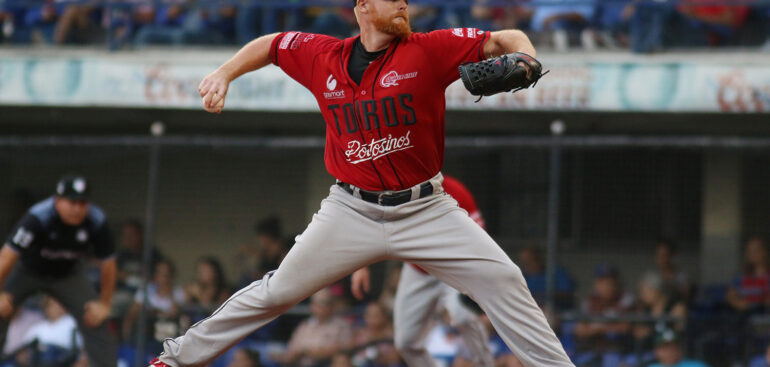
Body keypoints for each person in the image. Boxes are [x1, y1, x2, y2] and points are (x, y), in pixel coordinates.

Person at [150, 0, 570, 366]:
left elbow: (506, 38)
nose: (404, 5)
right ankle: (175, 359)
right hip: (350, 210)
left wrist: (527, 58)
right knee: (277, 292)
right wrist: (225, 73)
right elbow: (273, 44)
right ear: (363, 6)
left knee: (505, 279)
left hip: (426, 208)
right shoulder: (323, 56)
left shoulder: (427, 49)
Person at [351, 175, 495, 367]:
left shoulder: (453, 190)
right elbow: (370, 222)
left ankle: (485, 364)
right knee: (405, 343)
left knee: (461, 316)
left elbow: (479, 237)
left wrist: (476, 276)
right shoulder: (397, 191)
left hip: (452, 269)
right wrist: (361, 264)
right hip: (418, 270)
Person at [0, 175, 118, 366]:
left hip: (68, 275)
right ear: (58, 201)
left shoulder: (96, 220)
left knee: (95, 317)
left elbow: (108, 263)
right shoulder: (38, 217)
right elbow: (6, 256)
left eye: (82, 203)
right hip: (28, 271)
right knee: (1, 309)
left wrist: (105, 303)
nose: (77, 209)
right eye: (72, 202)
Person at [271, 288, 353, 367]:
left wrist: (306, 352)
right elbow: (291, 352)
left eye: (324, 303)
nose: (319, 308)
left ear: (332, 305)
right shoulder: (304, 326)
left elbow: (343, 350)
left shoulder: (342, 325)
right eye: (316, 304)